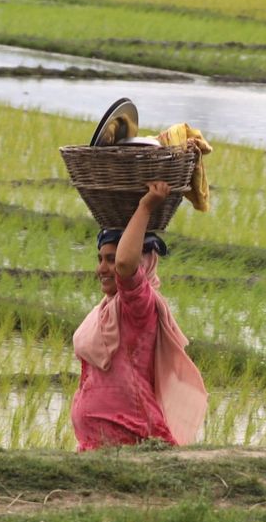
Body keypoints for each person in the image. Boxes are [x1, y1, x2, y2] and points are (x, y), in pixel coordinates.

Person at [71, 181, 207, 451]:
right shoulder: (106, 309)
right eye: (100, 258)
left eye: (109, 259)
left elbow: (125, 265)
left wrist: (146, 206)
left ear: (144, 263)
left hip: (127, 436)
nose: (101, 269)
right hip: (95, 443)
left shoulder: (139, 305)